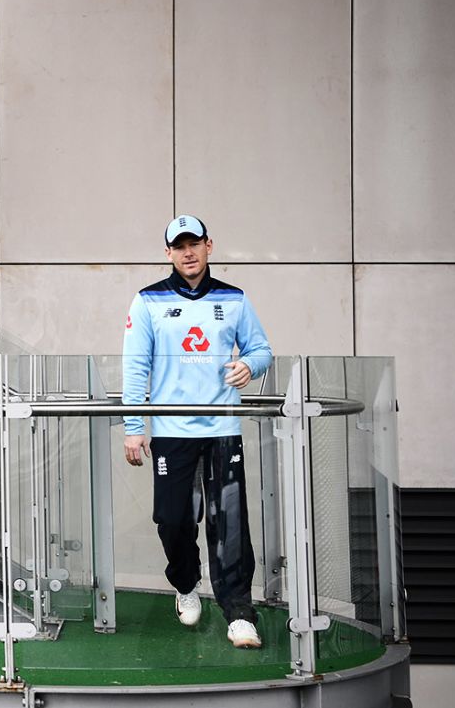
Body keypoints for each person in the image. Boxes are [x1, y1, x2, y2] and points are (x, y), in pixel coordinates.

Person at [122, 214, 272, 649]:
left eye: (195, 243)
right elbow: (135, 368)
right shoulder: (147, 301)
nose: (188, 252)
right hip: (171, 429)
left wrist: (250, 364)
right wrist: (135, 427)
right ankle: (186, 584)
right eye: (179, 245)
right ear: (168, 253)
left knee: (230, 521)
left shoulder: (235, 299)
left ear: (210, 245)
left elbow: (261, 348)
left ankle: (239, 612)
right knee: (173, 519)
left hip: (223, 428)